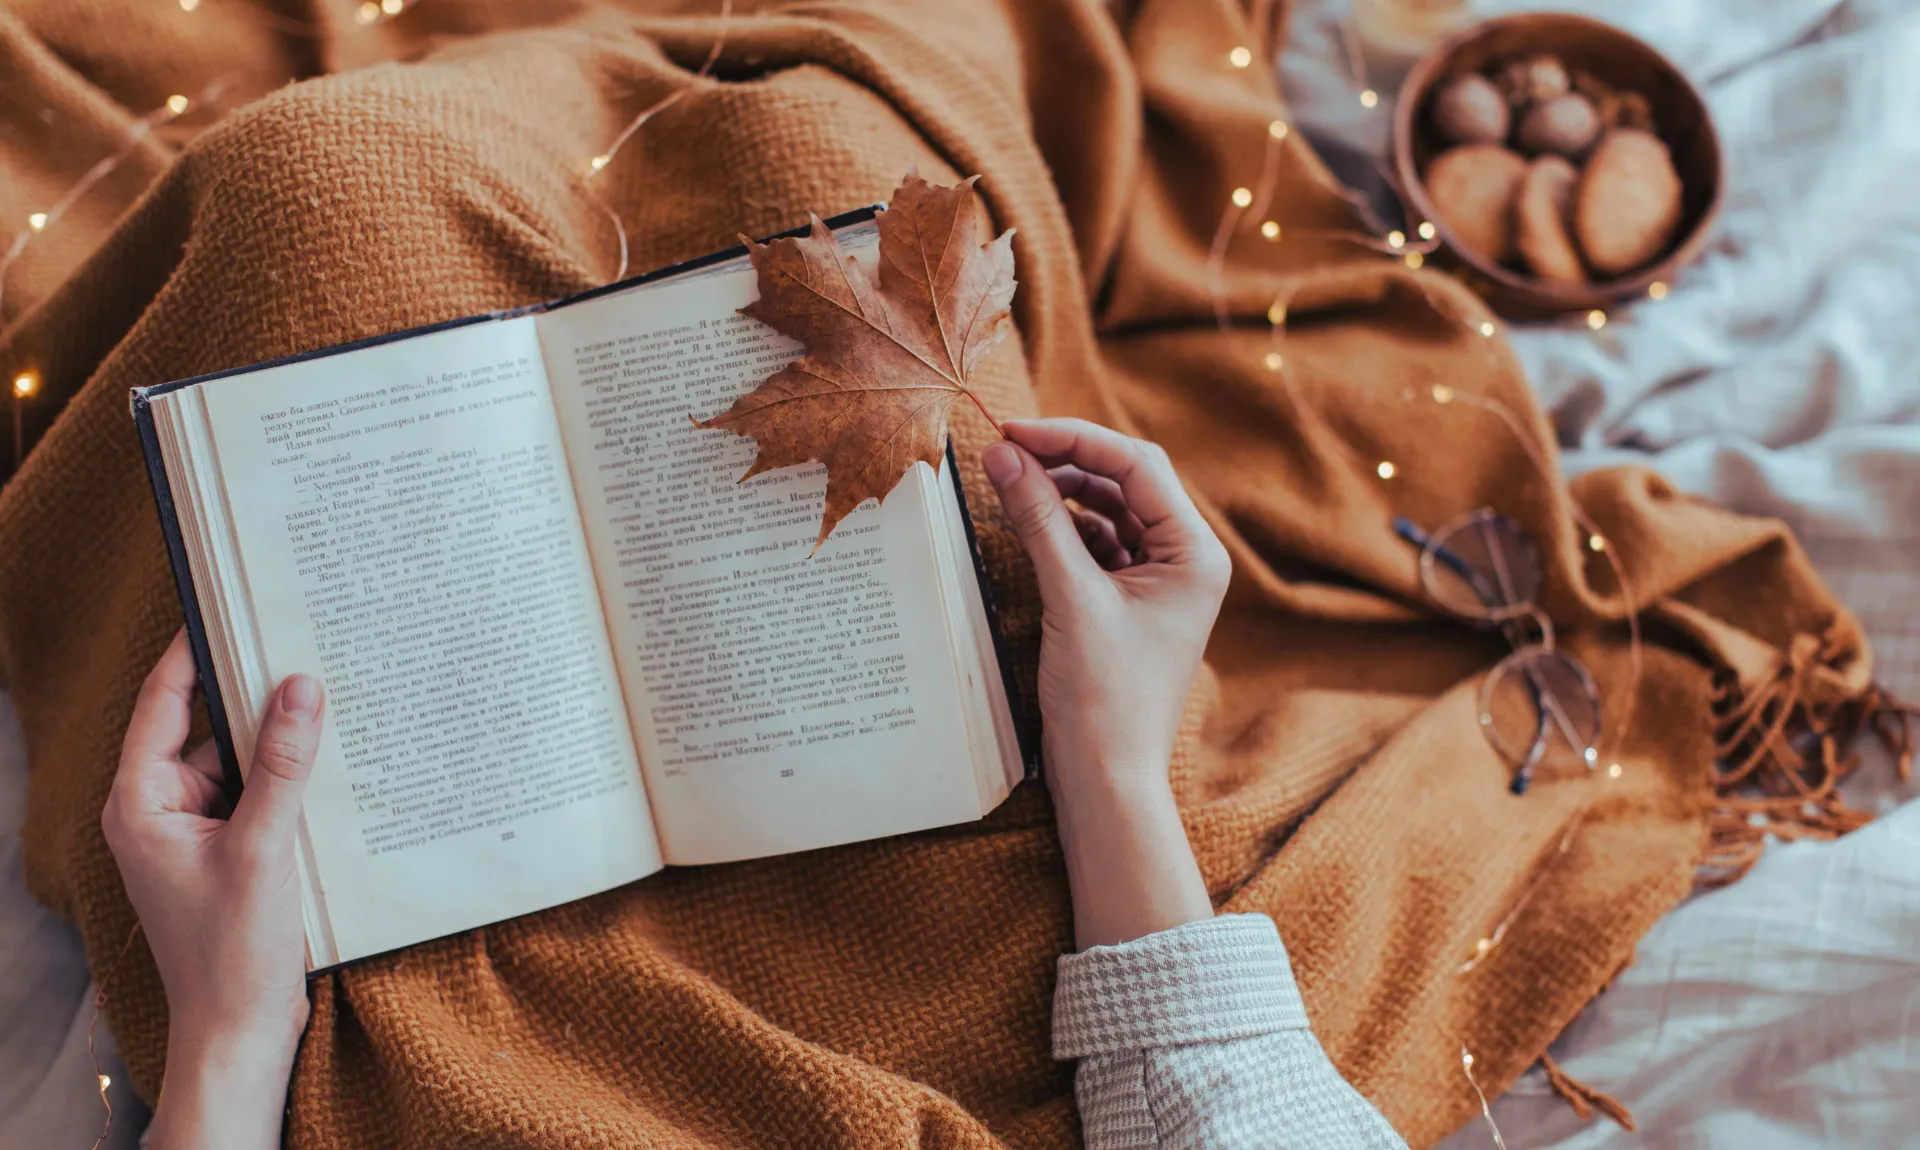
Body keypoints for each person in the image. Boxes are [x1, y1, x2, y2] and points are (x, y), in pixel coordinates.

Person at [104, 418, 1407, 1149]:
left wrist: (229, 1039)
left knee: (322, 180)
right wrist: (1108, 752)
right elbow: (1219, 1109)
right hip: (1053, 887)